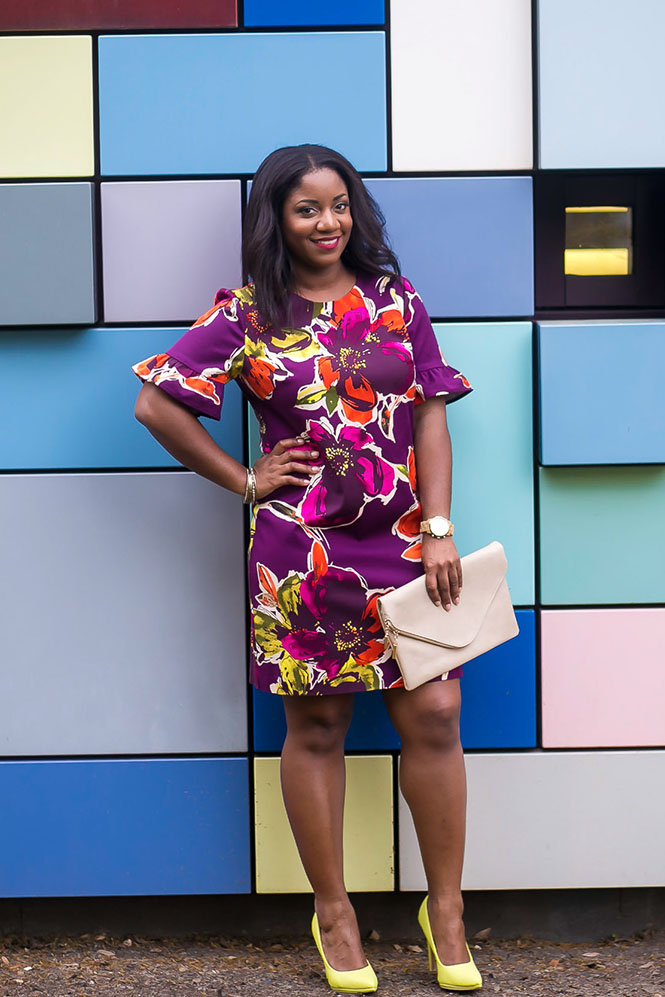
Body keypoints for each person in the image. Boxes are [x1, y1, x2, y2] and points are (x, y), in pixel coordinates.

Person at [132, 144, 481, 994]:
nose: (327, 223)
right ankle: (334, 911)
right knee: (317, 728)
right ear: (275, 220)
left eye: (338, 205)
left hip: (404, 544)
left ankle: (445, 910)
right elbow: (156, 402)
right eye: (305, 209)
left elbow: (429, 415)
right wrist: (246, 480)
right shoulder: (248, 314)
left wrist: (437, 527)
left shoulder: (397, 300)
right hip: (303, 555)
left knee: (434, 713)